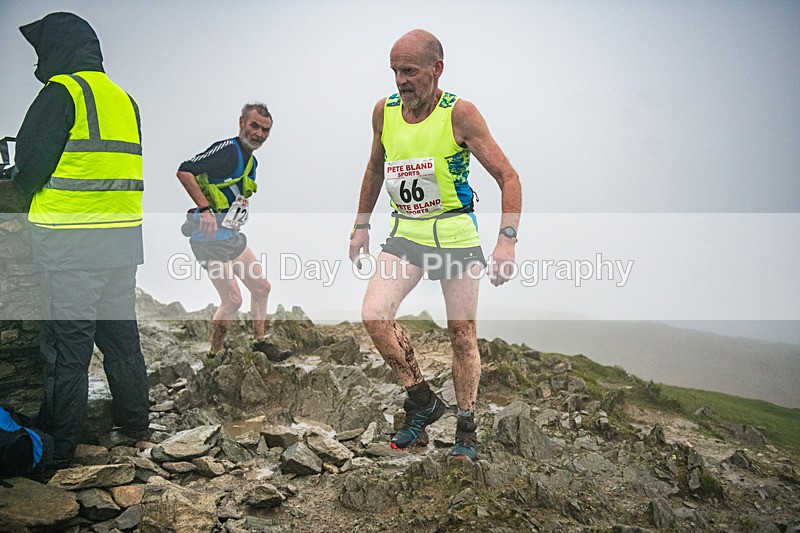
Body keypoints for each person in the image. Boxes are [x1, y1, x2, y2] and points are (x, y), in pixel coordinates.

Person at [349, 29, 522, 460]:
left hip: (455, 236)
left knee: (461, 335)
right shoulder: (383, 112)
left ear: (436, 69)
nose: (400, 80)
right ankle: (423, 401)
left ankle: (466, 428)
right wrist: (361, 226)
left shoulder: (460, 114)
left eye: (409, 70)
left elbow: (508, 177)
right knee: (373, 315)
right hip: (407, 232)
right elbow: (374, 168)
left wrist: (506, 241)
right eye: (394, 71)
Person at [0, 12, 150, 472]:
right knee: (121, 340)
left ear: (60, 49)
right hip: (121, 244)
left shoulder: (61, 93)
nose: (37, 64)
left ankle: (59, 448)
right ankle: (136, 425)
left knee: (67, 349)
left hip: (71, 246)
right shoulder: (124, 99)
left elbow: (28, 169)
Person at [176, 104, 290, 361]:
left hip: (231, 236)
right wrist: (204, 210)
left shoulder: (252, 162)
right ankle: (214, 355)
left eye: (265, 130)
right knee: (233, 300)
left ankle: (259, 343)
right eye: (254, 126)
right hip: (208, 241)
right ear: (242, 123)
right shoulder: (228, 150)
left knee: (262, 287)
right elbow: (184, 170)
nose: (259, 134)